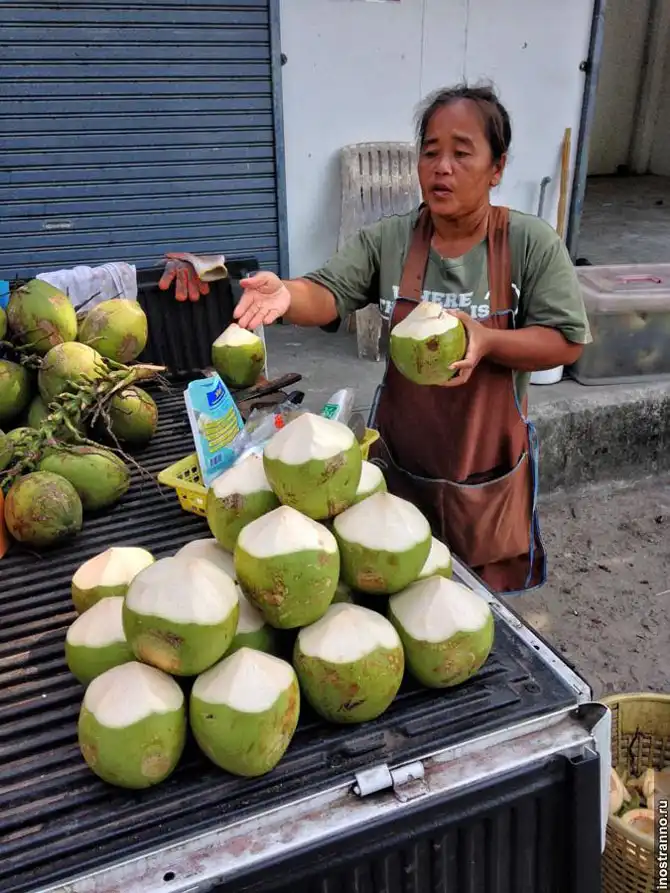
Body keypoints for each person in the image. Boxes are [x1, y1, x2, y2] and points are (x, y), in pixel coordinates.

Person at [219, 85, 591, 594]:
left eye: (461, 153)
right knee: (394, 588)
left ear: (497, 167)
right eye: (431, 151)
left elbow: (565, 341)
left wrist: (487, 340)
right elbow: (328, 292)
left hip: (486, 472)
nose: (442, 167)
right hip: (401, 470)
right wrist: (287, 292)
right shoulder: (391, 240)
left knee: (470, 613)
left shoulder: (528, 244)